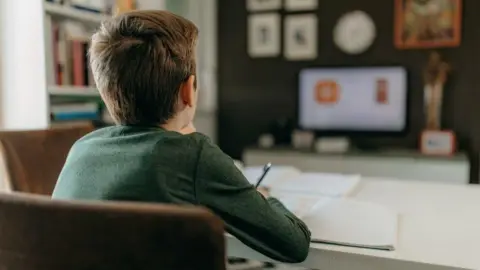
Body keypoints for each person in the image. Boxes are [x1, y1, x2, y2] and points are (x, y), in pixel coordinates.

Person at [52, 10, 311, 263]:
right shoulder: (192, 154)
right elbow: (295, 244)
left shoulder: (82, 148)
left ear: (105, 91)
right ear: (189, 89)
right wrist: (265, 198)